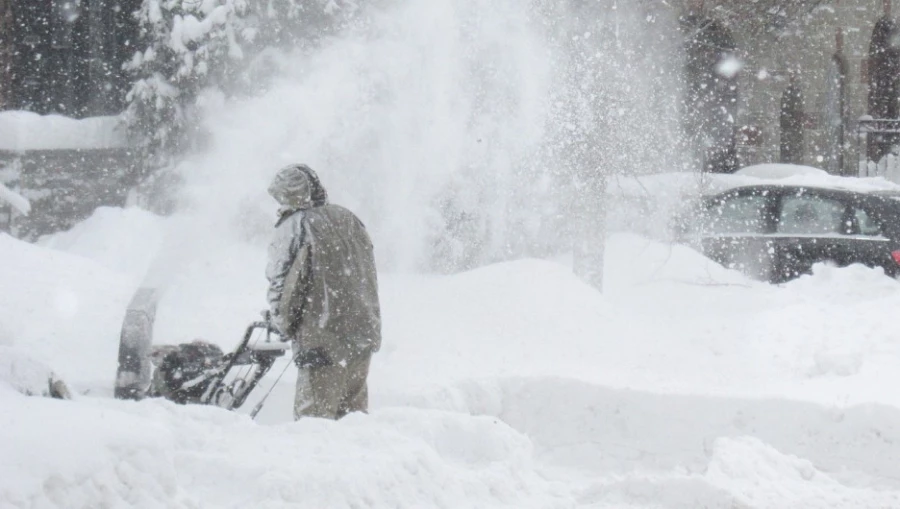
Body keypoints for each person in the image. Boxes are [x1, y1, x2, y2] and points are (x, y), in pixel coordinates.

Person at [265, 164, 381, 420]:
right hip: (362, 335)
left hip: (321, 341)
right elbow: (367, 274)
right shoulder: (349, 218)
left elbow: (284, 285)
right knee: (353, 420)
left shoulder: (295, 226)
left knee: (314, 425)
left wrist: (282, 322)